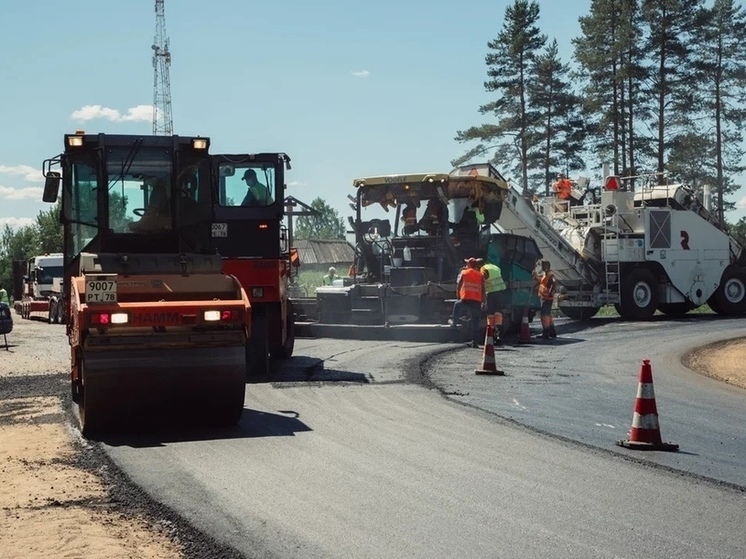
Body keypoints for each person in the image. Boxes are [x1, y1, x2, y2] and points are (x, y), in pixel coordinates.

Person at [450, 257, 485, 348]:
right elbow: (483, 290)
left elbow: (459, 285)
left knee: (456, 305)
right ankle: (474, 342)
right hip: (476, 301)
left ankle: (454, 322)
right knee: (475, 322)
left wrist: (458, 297)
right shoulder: (480, 275)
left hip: (466, 299)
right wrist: (484, 302)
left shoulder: (464, 273)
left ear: (469, 264)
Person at [479, 257, 507, 346]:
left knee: (490, 314)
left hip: (491, 293)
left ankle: (491, 334)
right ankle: (499, 335)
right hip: (500, 291)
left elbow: (485, 278)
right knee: (498, 312)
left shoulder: (483, 269)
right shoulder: (494, 267)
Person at [533, 260, 557, 339]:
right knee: (548, 315)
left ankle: (546, 332)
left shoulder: (550, 275)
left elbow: (554, 283)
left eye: (543, 266)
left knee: (544, 315)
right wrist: (536, 276)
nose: (542, 267)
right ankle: (552, 331)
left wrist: (550, 292)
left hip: (547, 298)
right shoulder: (545, 275)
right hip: (545, 297)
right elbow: (542, 283)